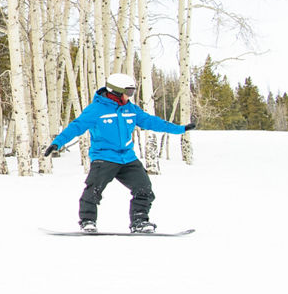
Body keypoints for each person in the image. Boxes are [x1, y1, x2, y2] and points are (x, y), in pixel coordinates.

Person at [43, 73, 195, 234]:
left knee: (144, 189)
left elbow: (152, 121)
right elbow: (76, 126)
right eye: (128, 92)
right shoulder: (97, 109)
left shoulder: (131, 109)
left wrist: (180, 129)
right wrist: (57, 142)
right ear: (115, 91)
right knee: (93, 189)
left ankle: (140, 222)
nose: (130, 96)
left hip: (127, 158)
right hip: (104, 157)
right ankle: (88, 221)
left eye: (132, 92)